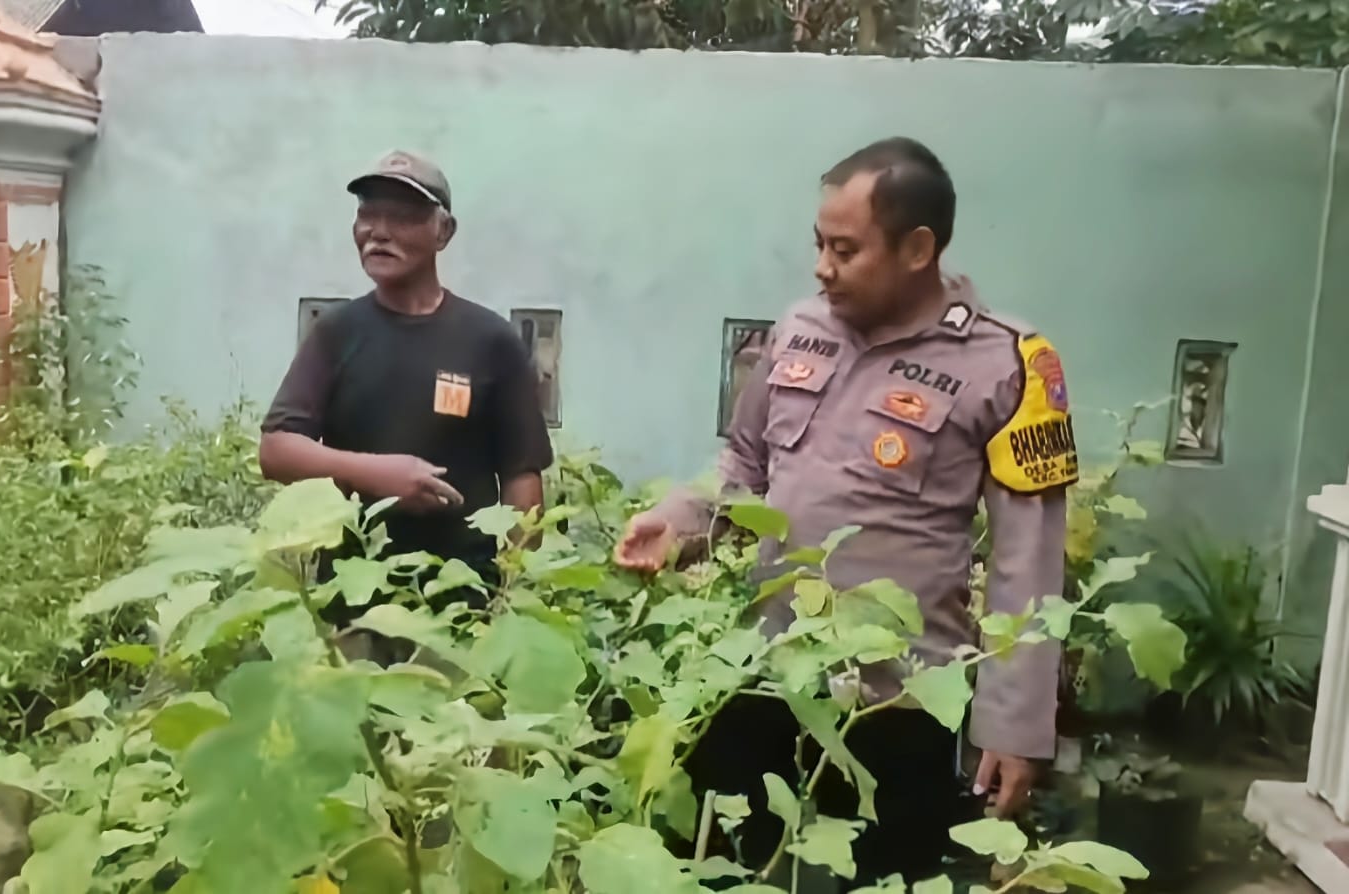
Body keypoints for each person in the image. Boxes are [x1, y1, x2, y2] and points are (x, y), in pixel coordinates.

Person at [616, 138, 1075, 887]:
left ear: (918, 247)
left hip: (898, 705)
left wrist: (1016, 727)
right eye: (819, 245)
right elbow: (746, 463)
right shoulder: (801, 329)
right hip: (765, 677)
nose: (822, 267)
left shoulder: (1011, 365)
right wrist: (680, 520)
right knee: (724, 873)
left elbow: (1030, 560)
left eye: (845, 249)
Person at [259, 150, 554, 634]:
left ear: (444, 231)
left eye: (400, 216)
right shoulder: (337, 333)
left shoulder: (489, 340)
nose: (378, 231)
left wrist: (514, 596)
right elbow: (276, 450)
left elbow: (523, 478)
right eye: (367, 215)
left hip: (462, 610)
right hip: (354, 607)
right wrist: (379, 474)